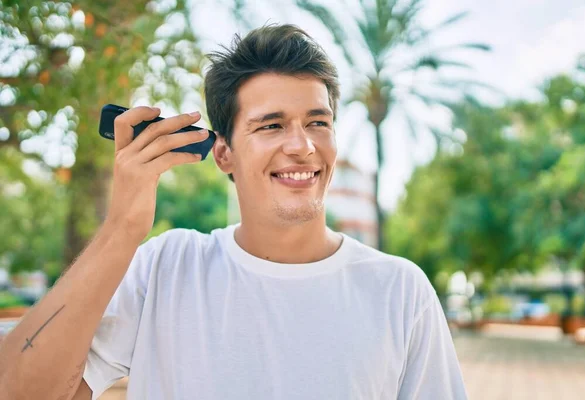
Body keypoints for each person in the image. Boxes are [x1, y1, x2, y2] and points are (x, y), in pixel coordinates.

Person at [0, 24, 467, 400]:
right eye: (272, 125)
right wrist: (122, 229)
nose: (302, 146)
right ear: (223, 155)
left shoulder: (400, 291)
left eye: (317, 122)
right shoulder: (165, 268)